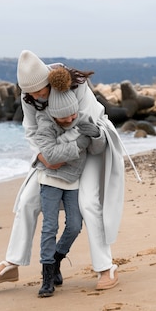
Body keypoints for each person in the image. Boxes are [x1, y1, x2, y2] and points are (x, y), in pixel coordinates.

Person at [0, 49, 125, 290]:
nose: (37, 96)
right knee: (28, 200)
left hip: (89, 144)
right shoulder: (29, 97)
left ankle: (105, 267)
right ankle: (12, 264)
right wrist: (43, 157)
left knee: (89, 203)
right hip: (51, 150)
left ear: (49, 81)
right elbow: (30, 131)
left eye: (40, 91)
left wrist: (58, 154)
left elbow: (84, 126)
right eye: (31, 93)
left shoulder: (74, 87)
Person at [33, 70, 107, 297]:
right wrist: (79, 144)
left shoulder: (81, 119)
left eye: (72, 115)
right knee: (50, 226)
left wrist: (94, 135)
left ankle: (56, 259)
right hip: (50, 180)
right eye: (63, 117)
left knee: (75, 225)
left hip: (73, 180)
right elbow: (51, 156)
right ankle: (47, 276)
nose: (69, 120)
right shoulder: (45, 124)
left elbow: (97, 148)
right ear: (54, 115)